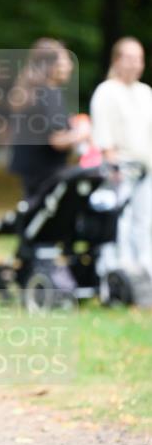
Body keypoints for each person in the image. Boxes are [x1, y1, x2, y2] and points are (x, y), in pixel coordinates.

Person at [90, 37, 152, 276]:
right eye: (130, 58)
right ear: (117, 60)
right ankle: (120, 271)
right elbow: (104, 136)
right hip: (120, 169)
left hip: (146, 170)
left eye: (139, 59)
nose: (135, 64)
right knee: (121, 221)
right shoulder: (106, 93)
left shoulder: (145, 93)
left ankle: (144, 268)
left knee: (144, 220)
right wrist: (113, 165)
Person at [7, 38, 91, 199]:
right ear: (51, 66)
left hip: (32, 170)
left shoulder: (35, 91)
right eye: (66, 61)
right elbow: (57, 141)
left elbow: (47, 127)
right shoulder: (49, 94)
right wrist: (83, 131)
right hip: (47, 172)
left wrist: (68, 123)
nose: (70, 66)